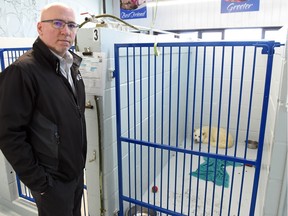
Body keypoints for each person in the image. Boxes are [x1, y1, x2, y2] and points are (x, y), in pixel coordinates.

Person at [0, 3, 87, 216]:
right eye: (57, 23)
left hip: (74, 173)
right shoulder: (22, 72)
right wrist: (40, 183)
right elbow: (8, 134)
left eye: (71, 25)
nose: (65, 31)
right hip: (51, 182)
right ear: (40, 28)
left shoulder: (71, 65)